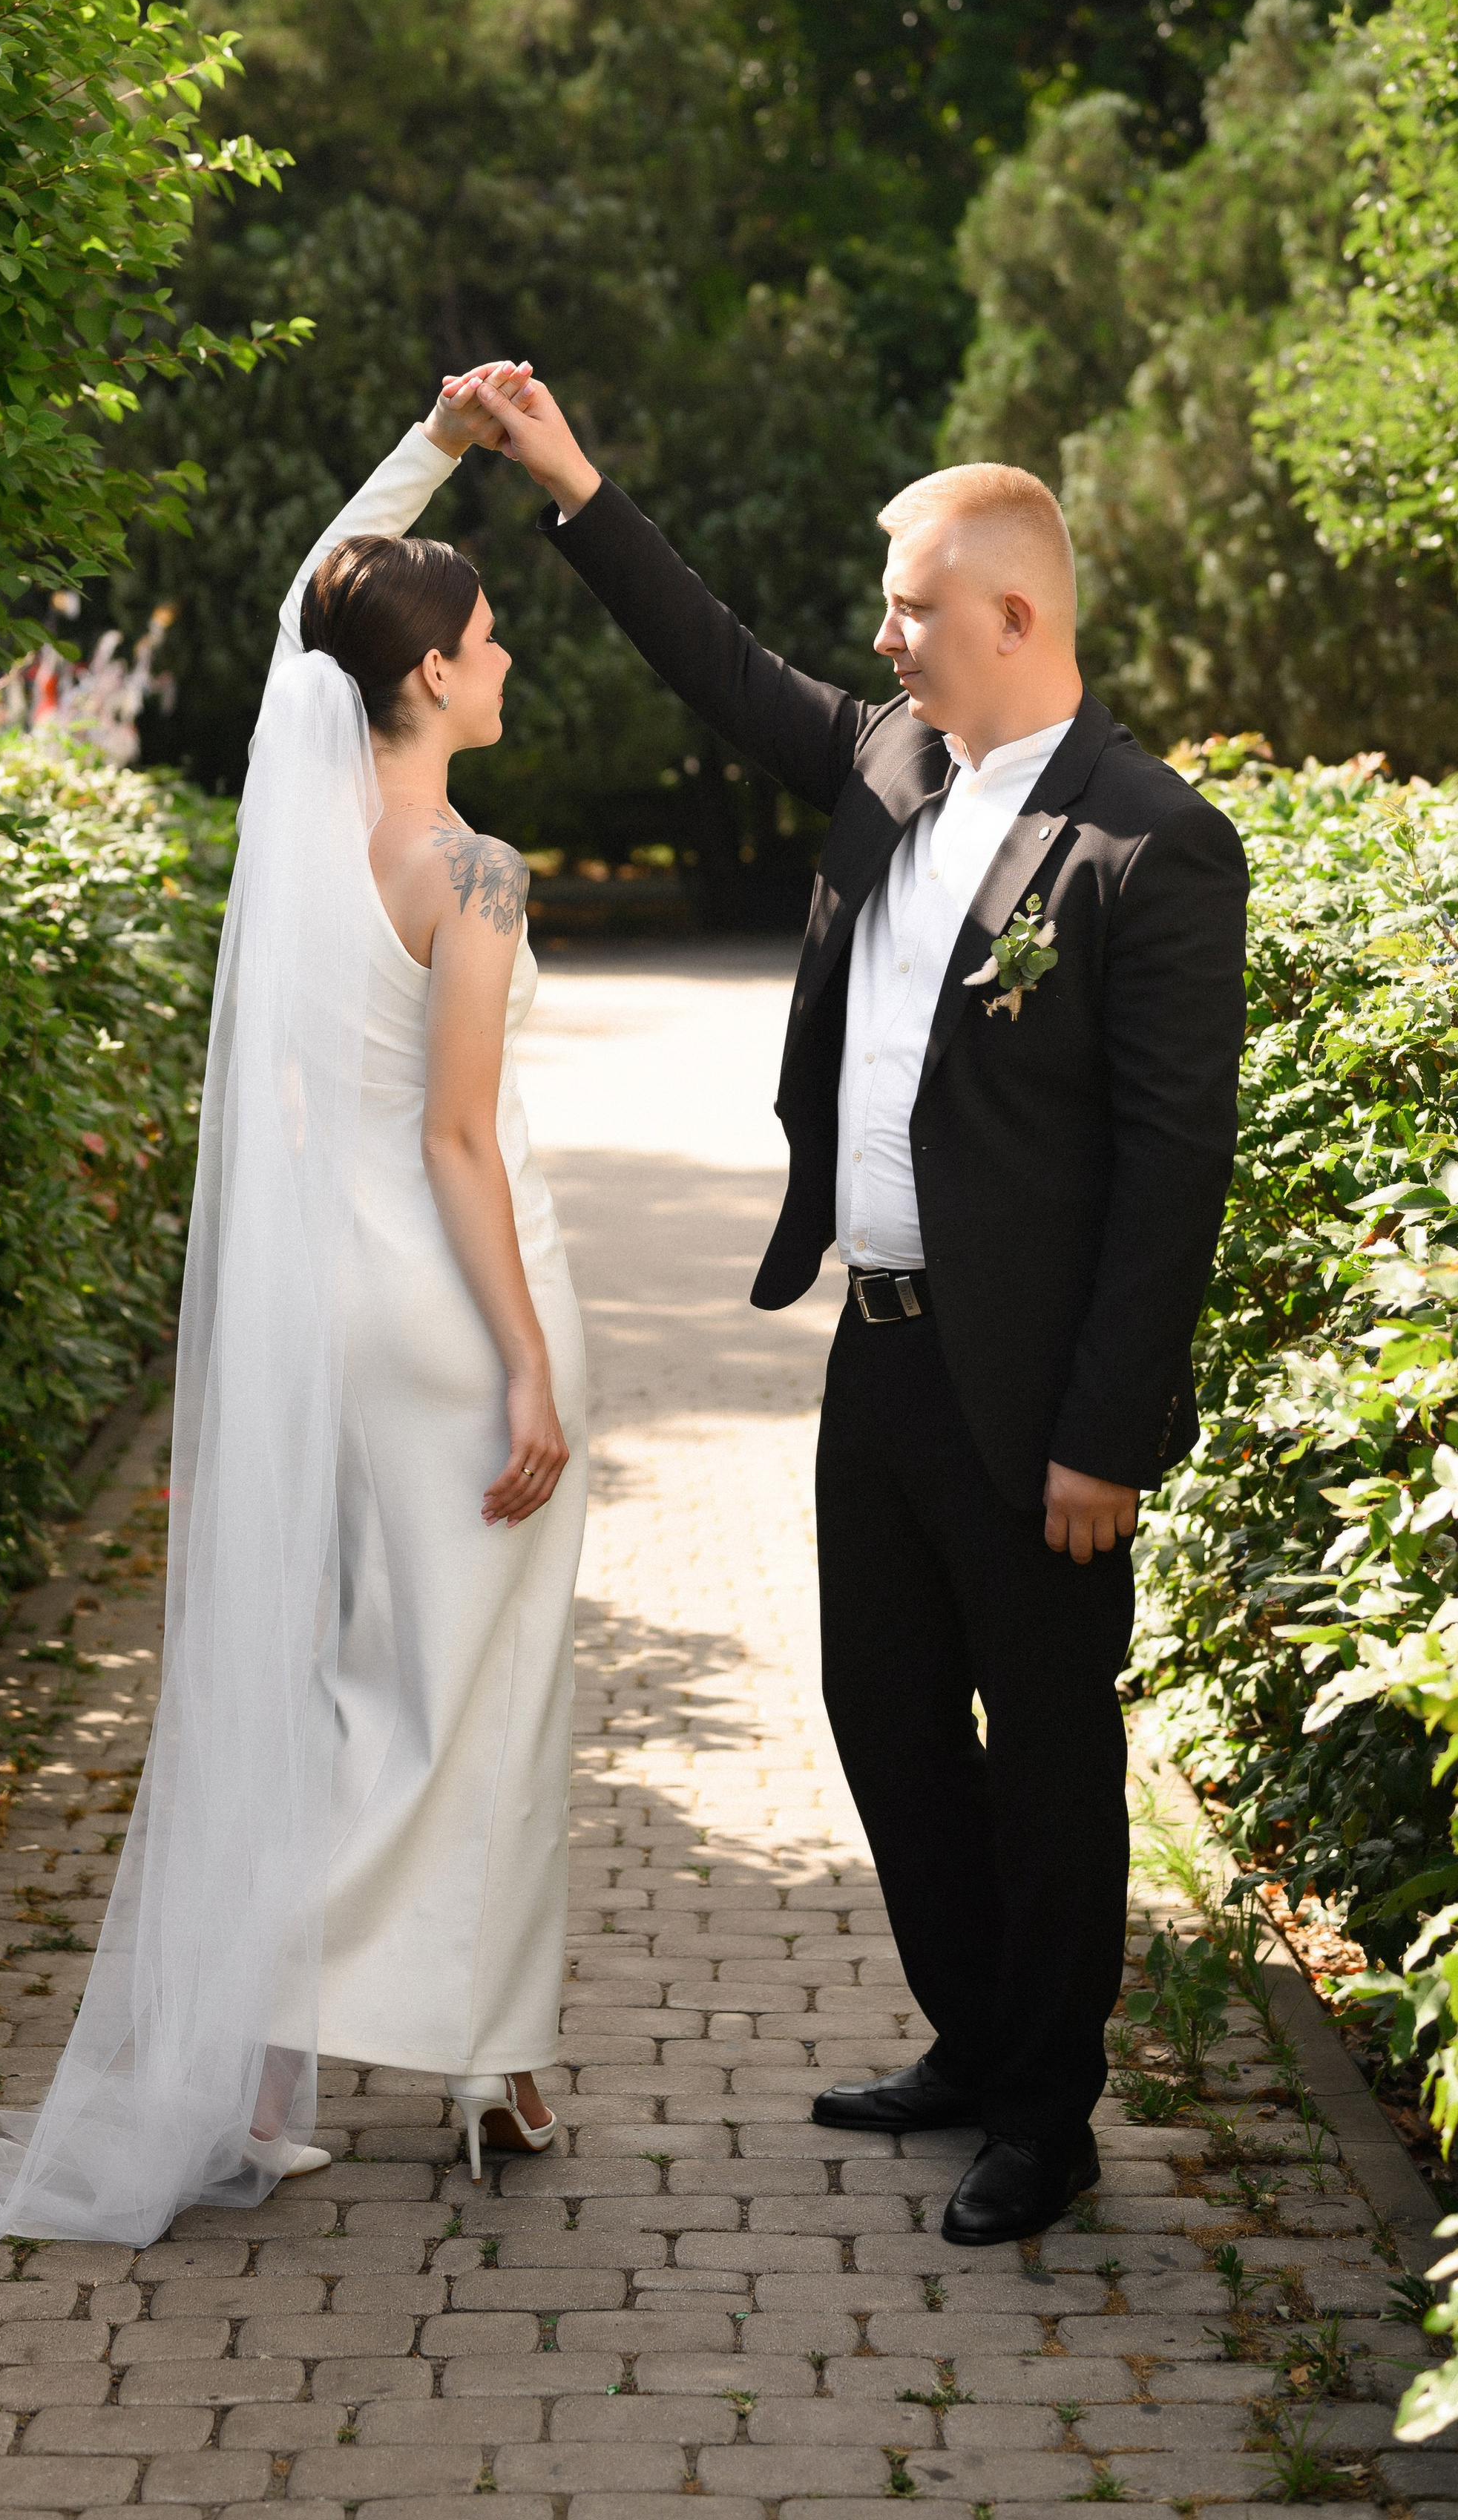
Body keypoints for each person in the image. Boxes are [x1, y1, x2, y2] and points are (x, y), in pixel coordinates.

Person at [461, 368, 1249, 2247]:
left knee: (1050, 1763)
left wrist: (1099, 1433)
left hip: (1033, 1399)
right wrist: (572, 483)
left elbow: (1169, 1177)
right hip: (875, 1354)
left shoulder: (1152, 844)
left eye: (905, 603)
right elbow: (720, 668)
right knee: (881, 1719)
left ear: (1010, 615)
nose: (878, 634)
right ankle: (974, 2041)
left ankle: (1043, 2115)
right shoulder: (891, 761)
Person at [0, 368, 589, 2247]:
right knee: (481, 1695)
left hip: (328, 1299)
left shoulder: (303, 834)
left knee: (340, 1684)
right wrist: (531, 1364)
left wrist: (427, 449)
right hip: (452, 1300)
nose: (501, 663)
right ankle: (488, 2060)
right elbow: (462, 1141)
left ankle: (249, 2046)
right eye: (482, 640)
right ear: (422, 681)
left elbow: (314, 591)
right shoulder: (466, 869)